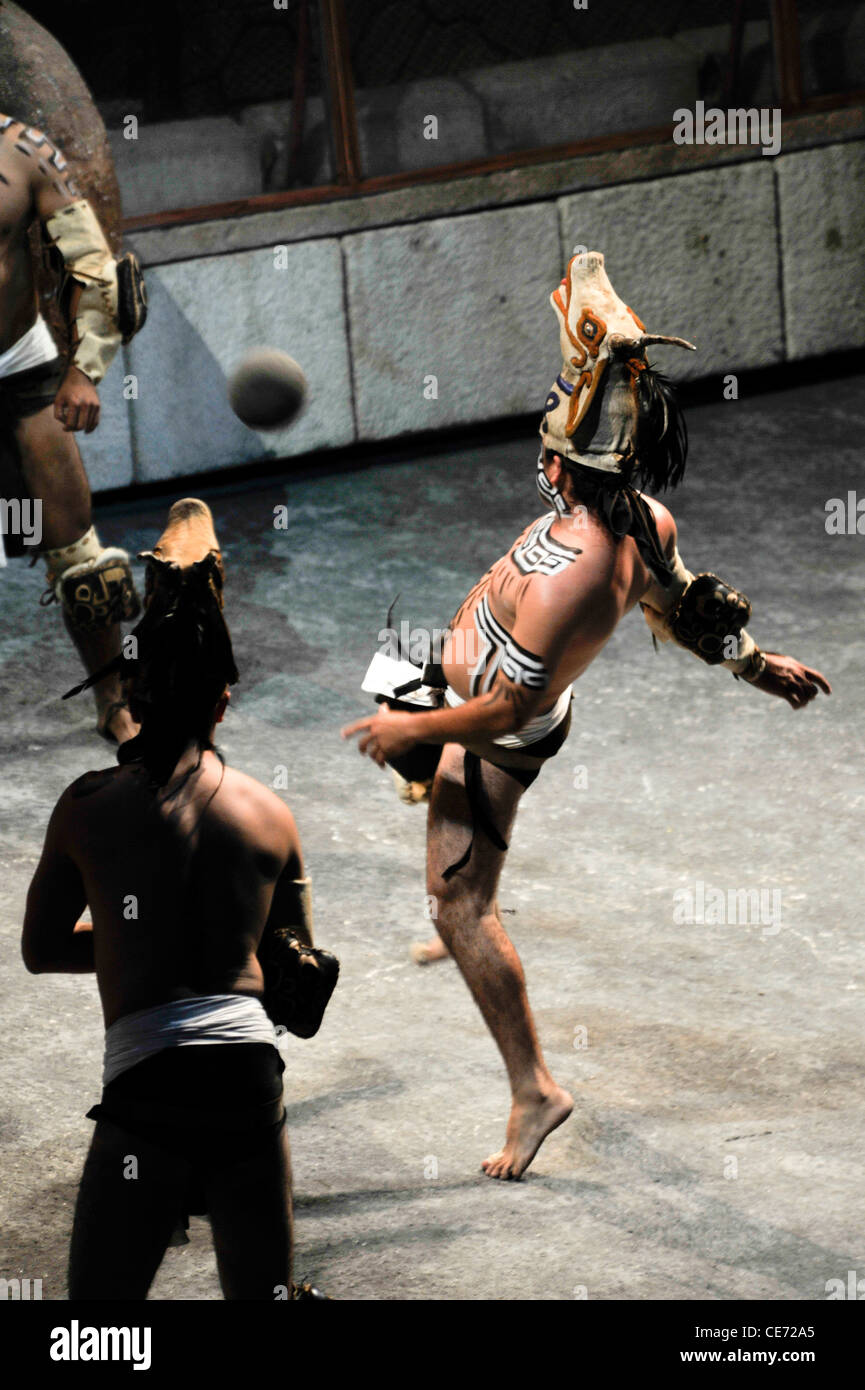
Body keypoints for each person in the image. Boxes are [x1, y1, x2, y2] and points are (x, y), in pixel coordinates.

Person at [343, 252, 831, 1181]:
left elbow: (509, 705)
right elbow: (687, 607)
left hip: (494, 732)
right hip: (461, 688)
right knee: (395, 694)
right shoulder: (637, 520)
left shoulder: (575, 575)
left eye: (550, 450)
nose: (540, 459)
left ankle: (532, 1087)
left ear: (568, 463)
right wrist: (758, 668)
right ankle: (465, 905)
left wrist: (416, 731)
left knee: (457, 905)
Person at [22, 500, 314, 1300]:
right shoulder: (269, 814)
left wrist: (130, 943)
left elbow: (42, 950)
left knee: (99, 1325)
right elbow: (294, 988)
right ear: (224, 703)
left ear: (132, 698)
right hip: (248, 1082)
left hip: (148, 1092)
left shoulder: (85, 805)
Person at [0, 111, 142, 742]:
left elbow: (95, 266)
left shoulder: (23, 150)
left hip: (22, 369)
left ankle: (113, 700)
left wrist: (85, 371)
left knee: (79, 557)